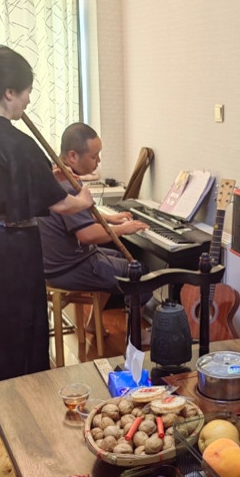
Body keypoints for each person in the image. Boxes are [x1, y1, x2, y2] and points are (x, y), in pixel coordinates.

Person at [0, 45, 94, 411]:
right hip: (12, 249)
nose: (28, 100)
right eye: (27, 92)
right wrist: (83, 201)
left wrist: (53, 182)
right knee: (17, 326)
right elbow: (60, 204)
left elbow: (7, 186)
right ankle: (20, 405)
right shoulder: (18, 142)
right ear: (9, 92)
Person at [37, 123, 149, 334]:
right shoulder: (67, 185)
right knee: (138, 272)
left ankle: (92, 323)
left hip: (55, 264)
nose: (98, 161)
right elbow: (87, 235)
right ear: (73, 156)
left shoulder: (55, 174)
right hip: (67, 268)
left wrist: (111, 219)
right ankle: (135, 336)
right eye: (94, 156)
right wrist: (125, 228)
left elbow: (78, 216)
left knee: (118, 256)